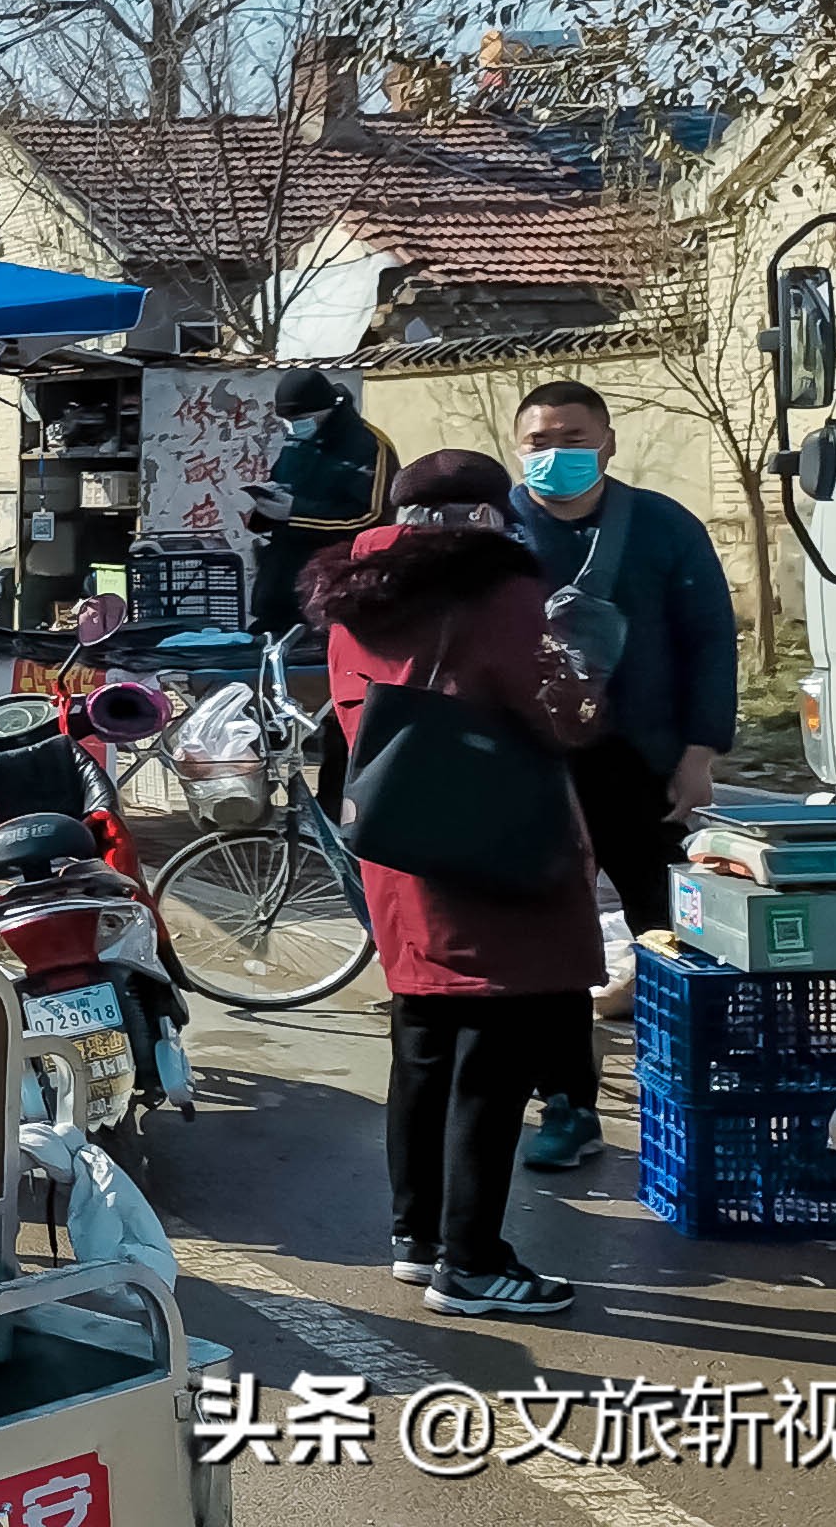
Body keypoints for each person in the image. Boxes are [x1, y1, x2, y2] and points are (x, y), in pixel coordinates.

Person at [301, 449, 602, 1319]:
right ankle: (472, 1262)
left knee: (423, 1040)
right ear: (488, 514)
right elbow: (565, 713)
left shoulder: (353, 595)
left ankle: (416, 1235)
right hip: (491, 840)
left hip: (399, 842)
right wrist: (589, 667)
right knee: (492, 1058)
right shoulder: (501, 592)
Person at [507, 379, 735, 1172]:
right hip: (530, 764)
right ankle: (568, 1103)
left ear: (608, 442)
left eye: (573, 437)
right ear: (517, 448)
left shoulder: (665, 526)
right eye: (539, 441)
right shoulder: (495, 531)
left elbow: (711, 639)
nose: (556, 454)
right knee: (550, 937)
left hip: (641, 759)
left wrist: (701, 752)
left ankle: (698, 1084)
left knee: (670, 926)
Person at [246, 368, 397, 638]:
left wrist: (295, 513)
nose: (294, 426)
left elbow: (371, 516)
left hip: (334, 590)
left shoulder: (368, 445)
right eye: (288, 420)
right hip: (280, 587)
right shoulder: (297, 441)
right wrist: (264, 512)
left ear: (325, 410)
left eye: (301, 419)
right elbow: (282, 487)